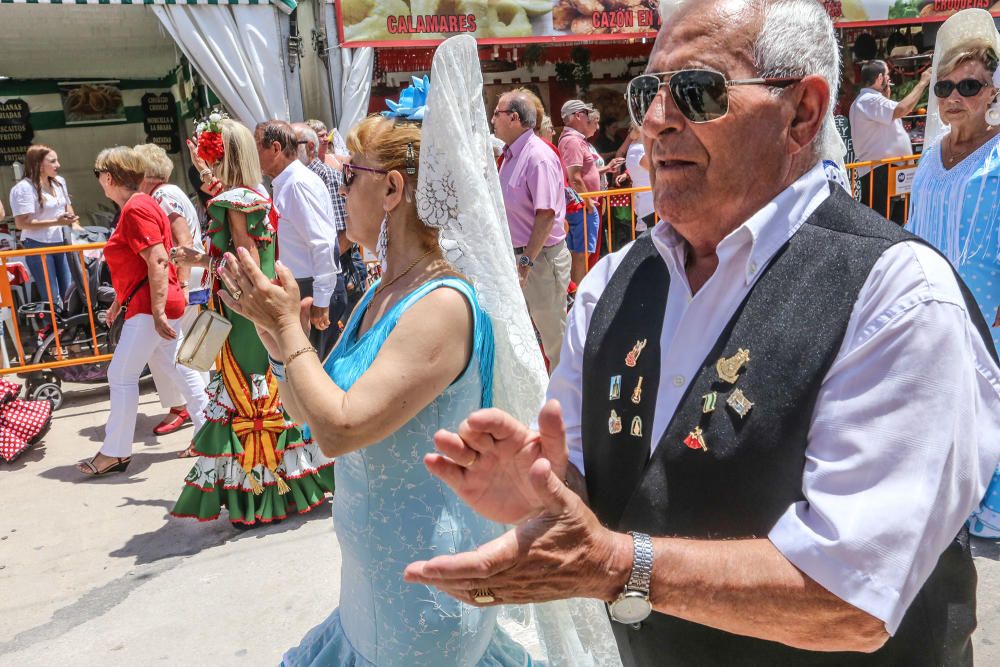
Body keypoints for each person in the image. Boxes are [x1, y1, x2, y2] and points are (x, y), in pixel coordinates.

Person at [403, 2, 1000, 666]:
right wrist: (542, 494)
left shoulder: (898, 296)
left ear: (801, 111)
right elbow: (591, 495)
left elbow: (851, 596)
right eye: (644, 93)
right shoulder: (609, 286)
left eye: (696, 91)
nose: (656, 121)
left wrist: (618, 565)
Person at [221, 37, 617, 666]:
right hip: (375, 587)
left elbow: (340, 430)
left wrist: (291, 333)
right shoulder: (384, 290)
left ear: (394, 190)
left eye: (351, 177)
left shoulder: (441, 304)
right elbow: (309, 412)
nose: (339, 190)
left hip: (420, 608)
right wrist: (274, 338)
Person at [170, 119, 334, 527]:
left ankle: (262, 496)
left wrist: (199, 260)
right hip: (249, 309)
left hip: (242, 313)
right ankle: (290, 486)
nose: (207, 162)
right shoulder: (253, 195)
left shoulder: (231, 202)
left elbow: (241, 261)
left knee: (249, 396)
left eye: (211, 154)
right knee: (267, 389)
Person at [907, 8, 1000, 538]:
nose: (953, 96)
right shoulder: (931, 153)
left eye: (969, 85)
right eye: (945, 85)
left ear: (992, 91)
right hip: (935, 306)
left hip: (990, 309)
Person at [76, 147, 208, 477]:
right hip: (151, 304)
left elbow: (159, 259)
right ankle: (209, 434)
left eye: (99, 177)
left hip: (150, 307)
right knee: (180, 367)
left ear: (108, 177)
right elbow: (143, 263)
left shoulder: (136, 208)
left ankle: (115, 452)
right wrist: (121, 303)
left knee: (121, 376)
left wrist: (158, 310)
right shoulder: (142, 204)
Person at [133, 143, 210, 440]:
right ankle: (192, 408)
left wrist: (185, 284)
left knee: (177, 349)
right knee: (183, 349)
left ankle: (190, 409)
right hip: (187, 276)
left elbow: (183, 241)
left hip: (185, 277)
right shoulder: (168, 193)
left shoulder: (163, 196)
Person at [493, 89, 570, 372]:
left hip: (538, 259)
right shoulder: (512, 155)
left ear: (513, 118)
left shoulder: (537, 157)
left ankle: (568, 406)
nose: (492, 120)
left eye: (497, 114)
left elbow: (546, 215)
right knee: (525, 339)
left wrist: (526, 262)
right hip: (523, 259)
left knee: (555, 341)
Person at [256, 120, 345, 363]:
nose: (254, 155)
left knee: (318, 373)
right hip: (305, 287)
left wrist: (322, 300)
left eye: (257, 147)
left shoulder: (298, 184)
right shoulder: (288, 184)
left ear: (275, 148)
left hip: (313, 289)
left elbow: (323, 243)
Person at [849, 59, 931, 223]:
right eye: (888, 76)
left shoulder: (872, 101)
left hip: (891, 170)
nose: (890, 81)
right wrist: (923, 83)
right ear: (880, 79)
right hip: (879, 171)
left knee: (897, 221)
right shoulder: (868, 100)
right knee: (879, 223)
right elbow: (902, 109)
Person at [293, 122, 356, 327]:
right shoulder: (298, 178)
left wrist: (321, 281)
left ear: (309, 147)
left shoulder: (324, 176)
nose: (284, 151)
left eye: (291, 144)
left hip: (330, 282)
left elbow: (344, 235)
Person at [559, 100, 624, 284]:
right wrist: (587, 204)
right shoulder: (572, 141)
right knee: (582, 254)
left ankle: (576, 295)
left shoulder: (575, 140)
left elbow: (581, 174)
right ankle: (579, 297)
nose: (589, 118)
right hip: (582, 206)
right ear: (577, 116)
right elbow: (575, 177)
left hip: (581, 205)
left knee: (580, 253)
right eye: (586, 114)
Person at [8, 145, 80, 309]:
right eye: (53, 161)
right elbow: (21, 223)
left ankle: (71, 331)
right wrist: (57, 222)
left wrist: (74, 222)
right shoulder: (23, 188)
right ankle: (55, 331)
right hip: (38, 244)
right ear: (39, 164)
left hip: (62, 242)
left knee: (69, 292)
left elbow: (67, 206)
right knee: (51, 296)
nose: (58, 165)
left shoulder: (59, 182)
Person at [617, 124, 655, 232]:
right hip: (649, 204)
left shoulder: (637, 147)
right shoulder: (639, 149)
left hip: (647, 203)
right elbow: (656, 170)